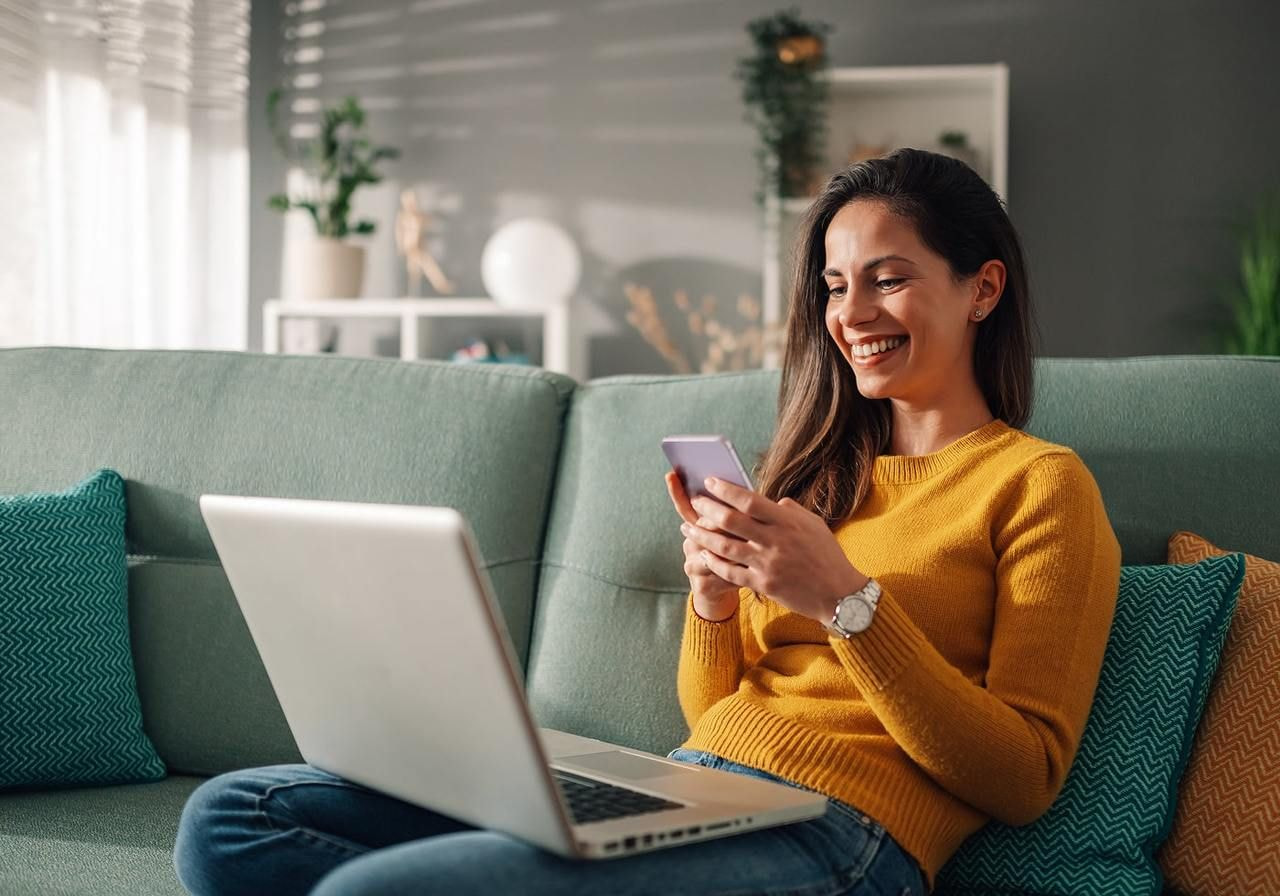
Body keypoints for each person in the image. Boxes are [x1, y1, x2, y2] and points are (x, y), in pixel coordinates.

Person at [173, 148, 1120, 896]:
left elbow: (1025, 776)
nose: (851, 312)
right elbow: (717, 719)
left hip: (842, 839)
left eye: (888, 278)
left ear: (982, 290)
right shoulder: (813, 480)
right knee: (232, 819)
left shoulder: (1038, 485)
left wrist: (850, 603)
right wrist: (711, 603)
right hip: (693, 789)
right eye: (834, 286)